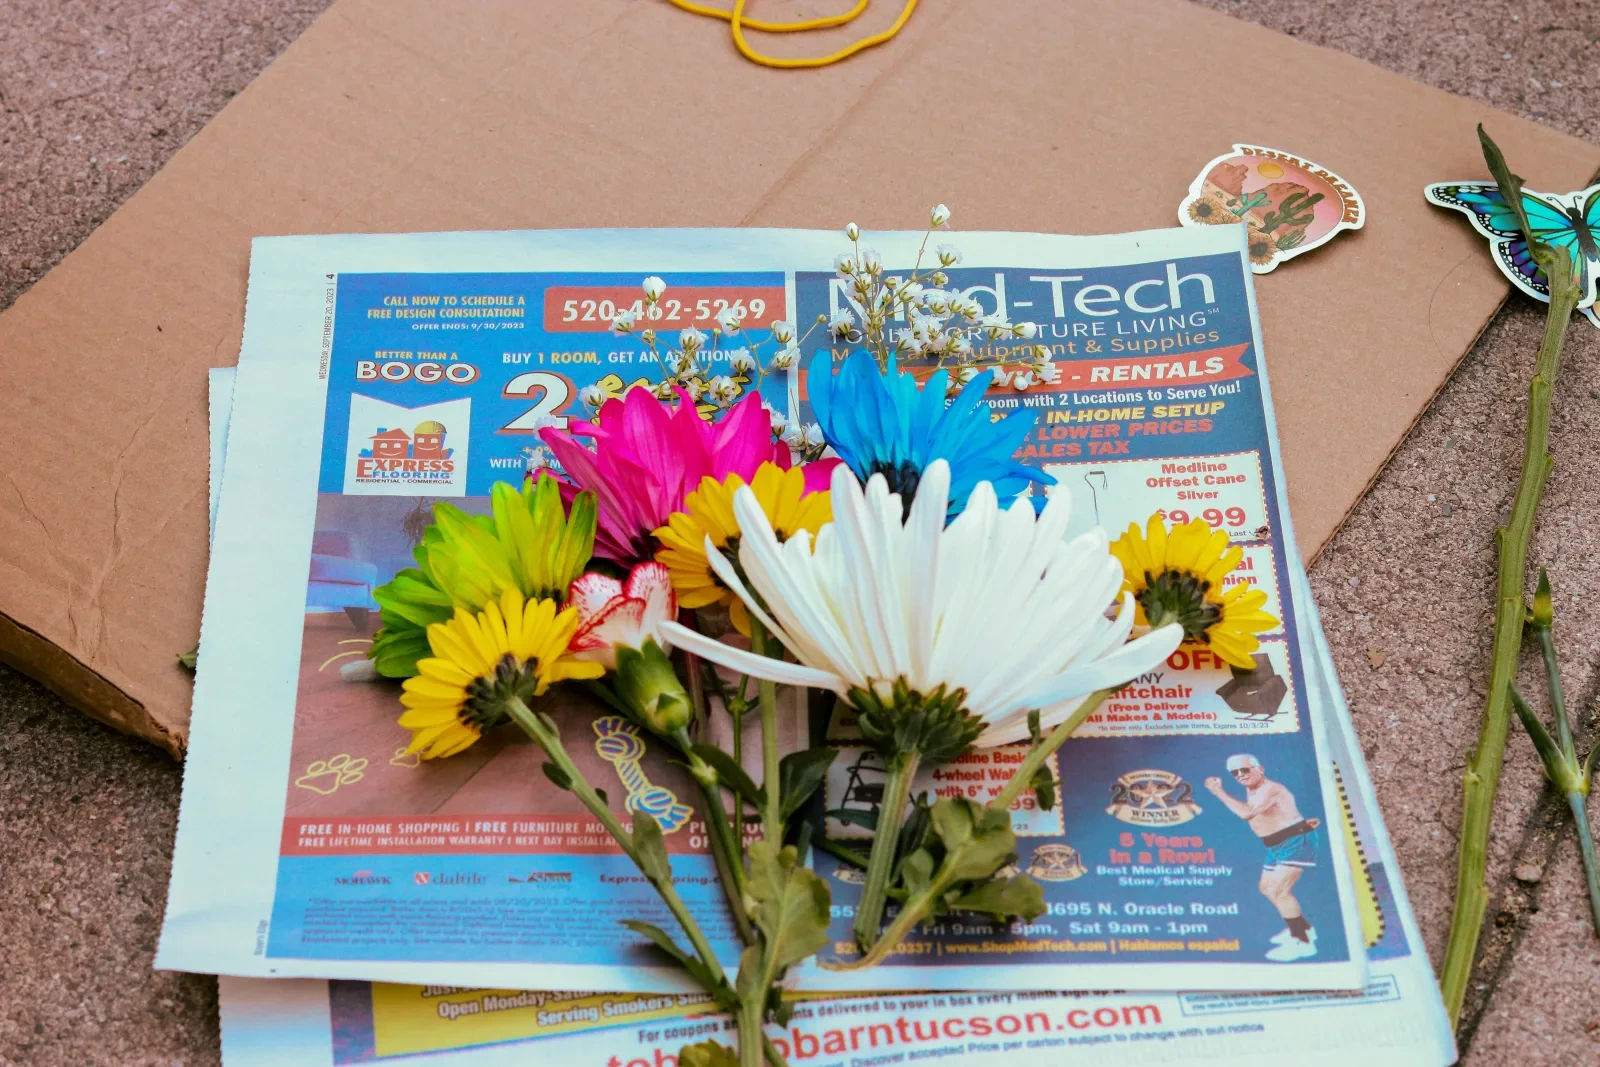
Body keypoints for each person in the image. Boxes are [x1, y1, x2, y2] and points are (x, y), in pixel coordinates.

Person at [1204, 754, 1321, 961]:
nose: (1240, 775)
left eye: (1245, 770)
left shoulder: (1271, 788)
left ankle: (1303, 943)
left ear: (1261, 768)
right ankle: (1303, 928)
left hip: (1294, 841)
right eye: (1235, 773)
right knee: (1266, 888)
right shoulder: (1253, 788)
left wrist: (1218, 792)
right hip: (1276, 844)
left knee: (1280, 891)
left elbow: (1247, 814)